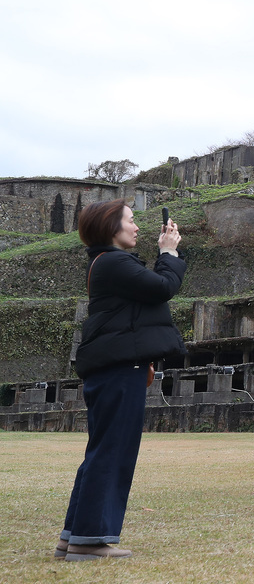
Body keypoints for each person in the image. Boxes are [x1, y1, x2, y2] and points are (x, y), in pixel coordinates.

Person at [57, 199, 186, 561]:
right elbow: (162, 287)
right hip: (118, 368)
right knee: (113, 451)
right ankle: (89, 539)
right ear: (112, 227)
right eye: (131, 221)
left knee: (101, 451)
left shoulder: (109, 263)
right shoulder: (113, 262)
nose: (137, 227)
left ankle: (75, 536)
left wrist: (166, 254)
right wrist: (169, 252)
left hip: (112, 367)